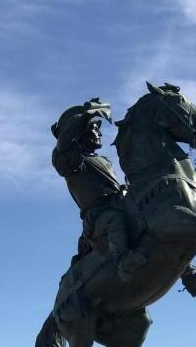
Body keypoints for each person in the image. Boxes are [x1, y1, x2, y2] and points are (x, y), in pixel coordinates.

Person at [51, 98, 146, 282]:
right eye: (94, 129)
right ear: (80, 135)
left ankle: (188, 272)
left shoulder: (103, 160)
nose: (99, 133)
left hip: (118, 202)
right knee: (114, 219)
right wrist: (85, 116)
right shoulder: (72, 162)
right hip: (98, 215)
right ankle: (123, 262)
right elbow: (64, 143)